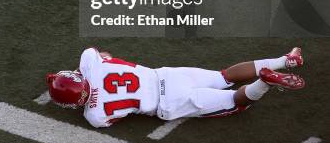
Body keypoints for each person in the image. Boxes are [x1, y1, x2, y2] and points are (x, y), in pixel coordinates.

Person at [46, 46, 304, 127]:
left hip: (168, 103)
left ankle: (264, 82)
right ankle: (287, 60)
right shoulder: (91, 63)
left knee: (235, 104)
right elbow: (102, 53)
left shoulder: (94, 115)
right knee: (224, 76)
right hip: (167, 77)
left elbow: (116, 116)